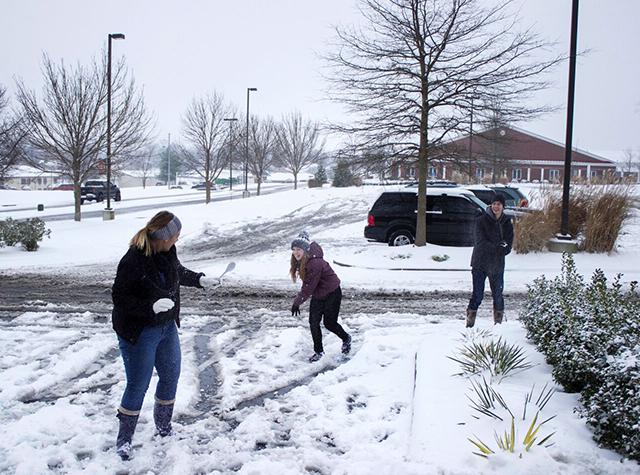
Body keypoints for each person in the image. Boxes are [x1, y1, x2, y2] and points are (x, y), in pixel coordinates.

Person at [111, 211, 219, 460]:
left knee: (171, 375)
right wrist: (149, 307)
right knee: (138, 384)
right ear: (163, 236)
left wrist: (201, 280)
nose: (177, 240)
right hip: (139, 332)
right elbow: (120, 299)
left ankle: (164, 427)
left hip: (167, 327)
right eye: (175, 236)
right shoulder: (133, 261)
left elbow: (177, 272)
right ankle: (124, 440)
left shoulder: (167, 252)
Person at [289, 231, 352, 362]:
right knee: (313, 323)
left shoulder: (314, 263)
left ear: (305, 249)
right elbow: (309, 286)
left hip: (332, 293)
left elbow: (308, 286)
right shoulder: (303, 260)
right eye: (294, 249)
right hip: (319, 294)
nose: (296, 252)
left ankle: (346, 338)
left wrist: (297, 302)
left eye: (299, 249)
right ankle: (319, 352)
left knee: (329, 323)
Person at [466, 194, 514, 327]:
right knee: (478, 295)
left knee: (498, 295)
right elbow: (480, 242)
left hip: (497, 265)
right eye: (494, 204)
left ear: (503, 206)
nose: (496, 207)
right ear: (490, 205)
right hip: (480, 263)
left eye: (499, 204)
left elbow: (508, 244)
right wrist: (498, 247)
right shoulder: (481, 221)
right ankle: (470, 323)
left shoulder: (507, 222)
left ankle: (498, 325)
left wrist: (503, 248)